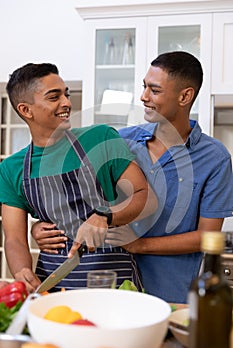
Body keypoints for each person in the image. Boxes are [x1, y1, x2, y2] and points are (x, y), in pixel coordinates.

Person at [32, 52, 233, 303]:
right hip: (109, 285)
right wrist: (40, 227)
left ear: (185, 96)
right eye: (144, 87)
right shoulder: (119, 139)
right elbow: (82, 202)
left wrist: (141, 245)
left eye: (154, 90)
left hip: (168, 291)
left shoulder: (214, 157)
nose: (143, 97)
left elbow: (208, 236)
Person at [0, 62, 157, 293]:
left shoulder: (100, 137)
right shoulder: (11, 168)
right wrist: (22, 270)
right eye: (54, 97)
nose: (67, 103)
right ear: (26, 110)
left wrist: (106, 217)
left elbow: (146, 198)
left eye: (66, 94)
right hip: (54, 287)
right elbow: (14, 239)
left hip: (114, 283)